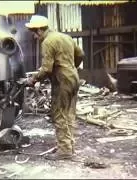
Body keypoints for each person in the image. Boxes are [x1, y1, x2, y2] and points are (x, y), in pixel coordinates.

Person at [25, 15, 85, 160]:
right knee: (69, 113)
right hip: (73, 78)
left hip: (62, 81)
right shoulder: (65, 37)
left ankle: (65, 151)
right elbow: (81, 54)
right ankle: (67, 146)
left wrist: (33, 80)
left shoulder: (47, 42)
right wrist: (71, 68)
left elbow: (46, 69)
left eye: (34, 32)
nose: (34, 36)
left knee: (59, 114)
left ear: (40, 30)